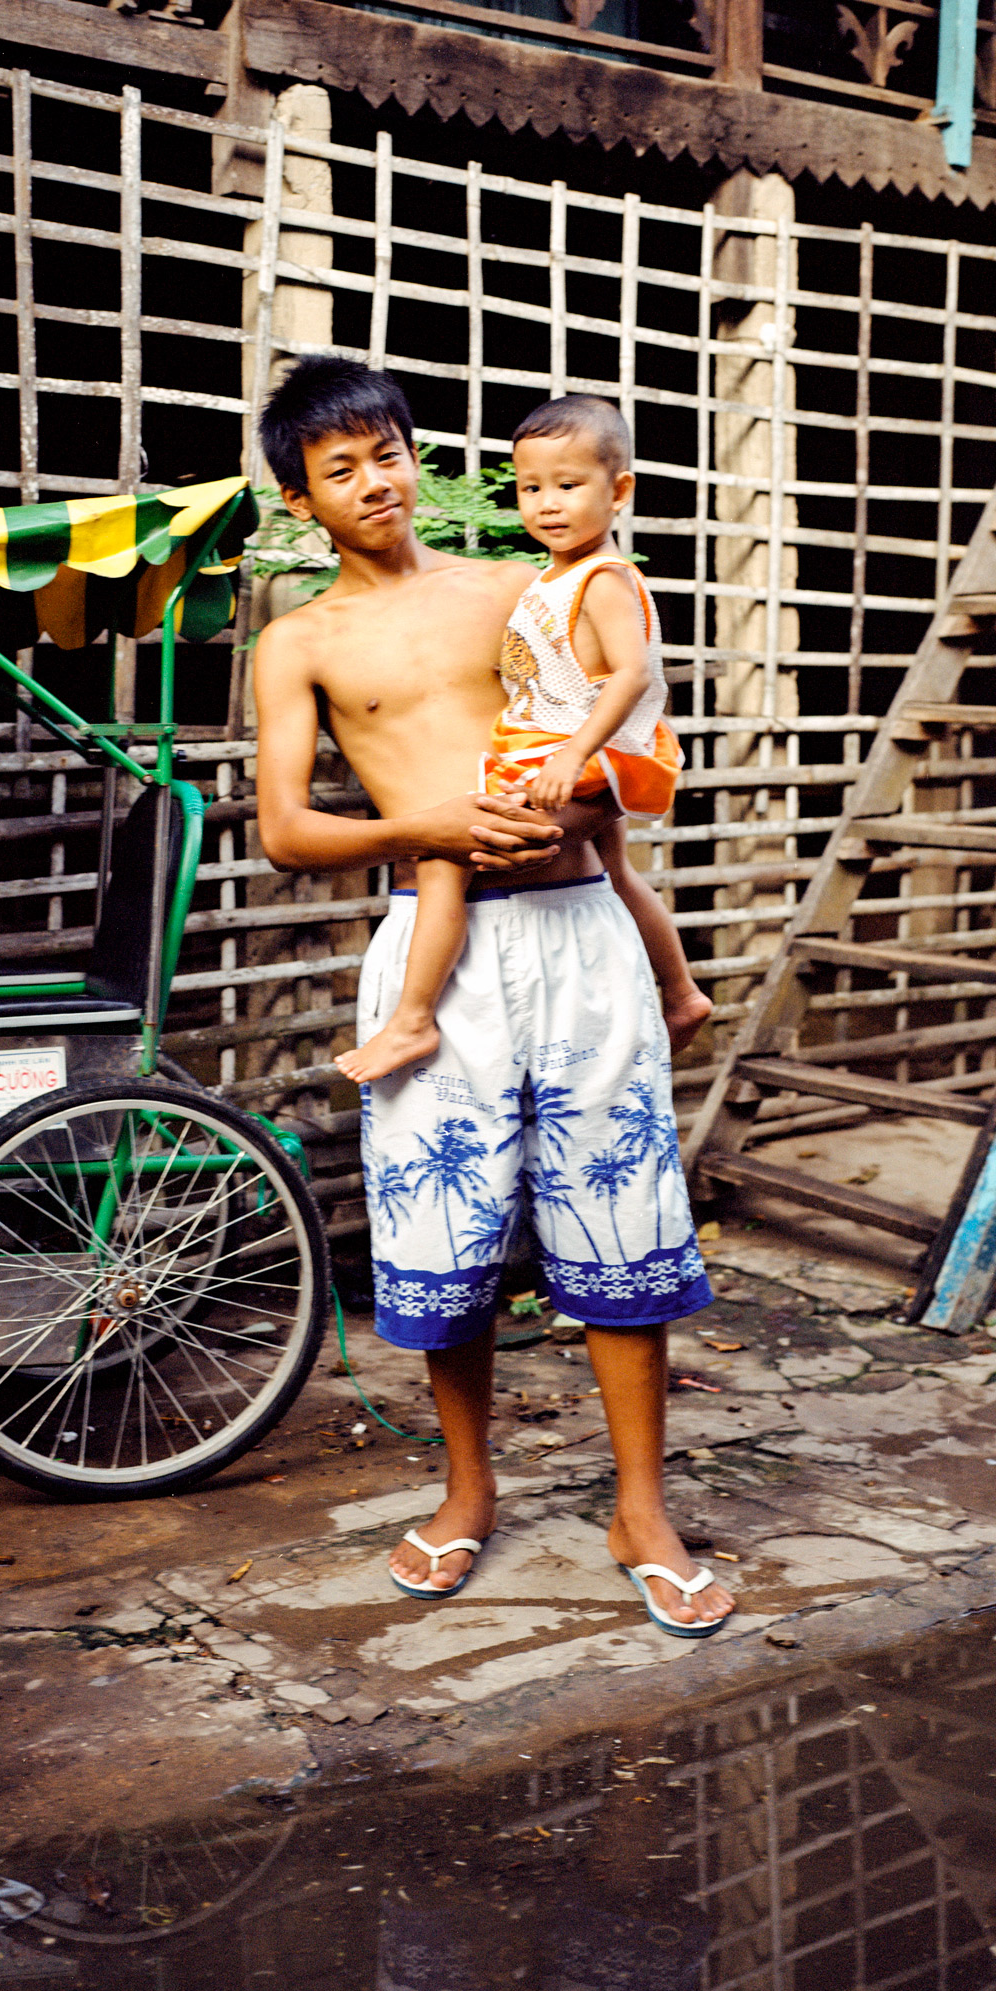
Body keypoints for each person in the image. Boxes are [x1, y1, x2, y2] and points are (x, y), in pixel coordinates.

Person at [253, 356, 733, 1636]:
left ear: (417, 455)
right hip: (433, 942)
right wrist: (425, 821)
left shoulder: (523, 583)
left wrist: (574, 797)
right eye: (339, 468)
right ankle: (466, 1490)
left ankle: (640, 1506)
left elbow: (629, 727)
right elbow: (288, 830)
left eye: (388, 451)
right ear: (300, 499)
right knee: (443, 1237)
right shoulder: (298, 640)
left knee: (620, 1220)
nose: (374, 482)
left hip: (577, 930)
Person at [336, 393, 710, 1085]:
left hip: (587, 756)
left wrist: (574, 754)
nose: (545, 504)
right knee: (618, 871)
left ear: (618, 489)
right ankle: (681, 993)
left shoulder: (601, 579)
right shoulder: (553, 576)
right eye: (530, 488)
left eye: (567, 486)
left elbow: (630, 675)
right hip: (563, 751)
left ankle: (413, 1019)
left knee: (454, 852)